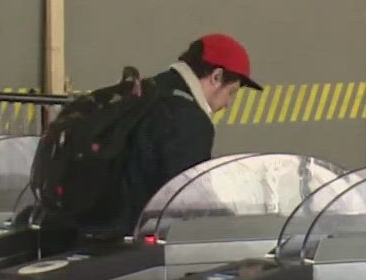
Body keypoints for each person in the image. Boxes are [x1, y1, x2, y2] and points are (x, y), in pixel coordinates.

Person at [37, 32, 262, 237]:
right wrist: (237, 229)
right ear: (216, 76)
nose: (229, 104)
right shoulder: (188, 120)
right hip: (121, 245)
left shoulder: (146, 92)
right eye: (231, 92)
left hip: (74, 227)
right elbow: (188, 201)